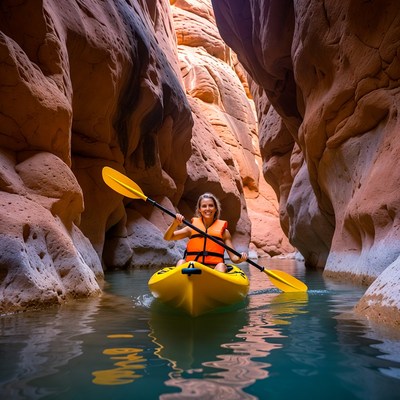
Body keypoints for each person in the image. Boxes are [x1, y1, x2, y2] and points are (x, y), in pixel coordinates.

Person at [164, 192, 248, 272]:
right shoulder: (191, 228)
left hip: (213, 270)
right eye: (204, 206)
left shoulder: (224, 232)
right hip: (193, 269)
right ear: (199, 209)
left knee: (221, 266)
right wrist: (174, 223)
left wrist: (240, 258)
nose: (207, 209)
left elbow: (233, 257)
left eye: (211, 206)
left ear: (215, 209)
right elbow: (167, 237)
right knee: (181, 262)